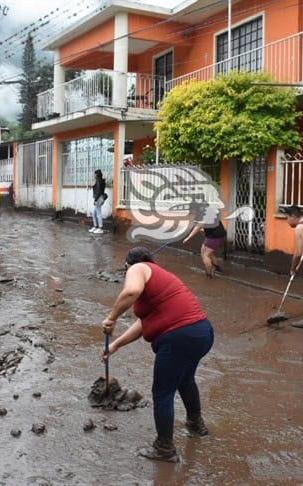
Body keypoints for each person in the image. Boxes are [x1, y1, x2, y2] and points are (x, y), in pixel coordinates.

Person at [101, 247, 214, 462]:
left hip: (179, 337)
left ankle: (164, 449)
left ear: (128, 265)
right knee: (185, 380)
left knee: (162, 393)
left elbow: (130, 291)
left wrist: (112, 317)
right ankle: (195, 424)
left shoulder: (138, 268)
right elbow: (144, 324)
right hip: (201, 333)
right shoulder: (160, 280)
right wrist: (115, 345)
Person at [90, 169, 106, 234]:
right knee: (94, 213)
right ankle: (95, 227)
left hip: (98, 198)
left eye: (94, 174)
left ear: (97, 174)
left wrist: (95, 199)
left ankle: (100, 228)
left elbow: (99, 191)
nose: (94, 175)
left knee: (98, 213)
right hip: (99, 198)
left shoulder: (98, 181)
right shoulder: (101, 180)